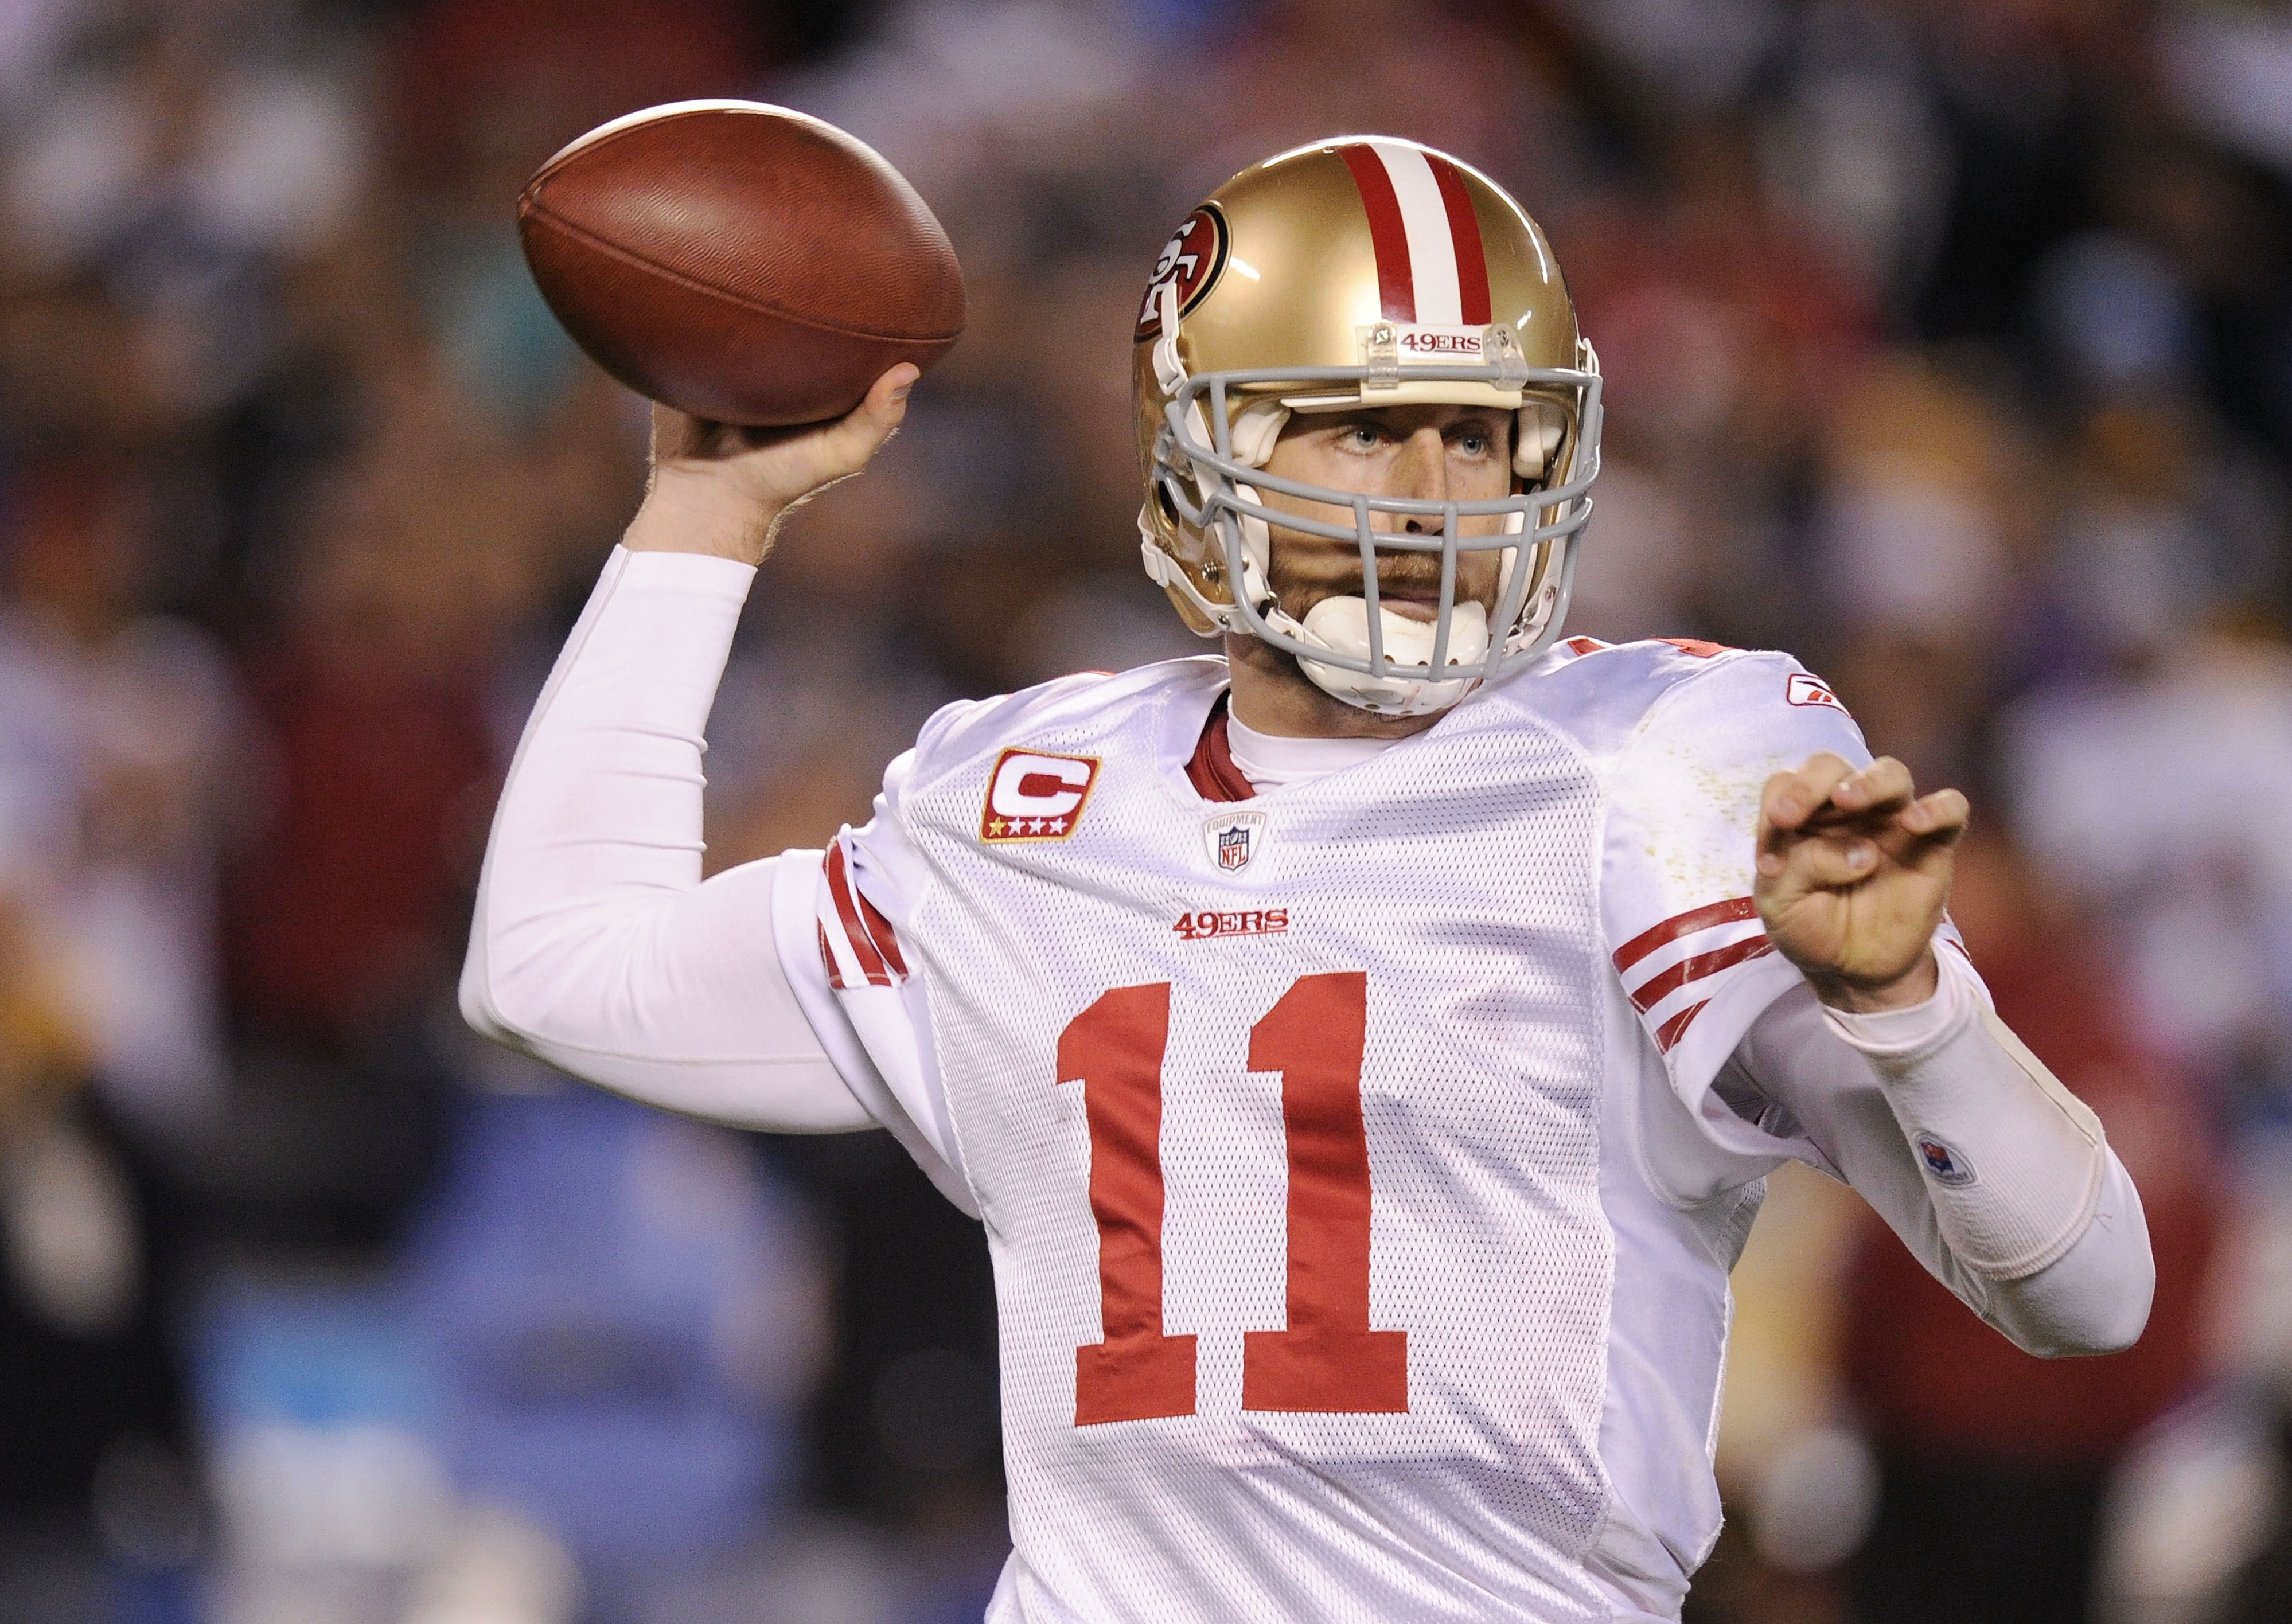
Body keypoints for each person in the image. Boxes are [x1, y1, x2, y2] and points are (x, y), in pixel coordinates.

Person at [463, 138, 2155, 1622]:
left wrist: (1911, 1010)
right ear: (1197, 450)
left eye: (1481, 436)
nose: (1432, 495)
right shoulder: (1021, 798)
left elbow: (2089, 1298)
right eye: (1360, 430)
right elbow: (553, 970)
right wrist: (704, 515)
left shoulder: (1656, 765)